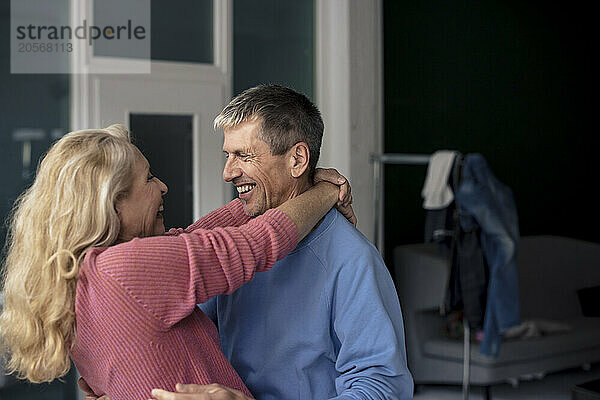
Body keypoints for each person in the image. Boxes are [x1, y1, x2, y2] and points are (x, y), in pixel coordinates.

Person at [0, 124, 354, 400]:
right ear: (113, 204)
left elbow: (192, 239)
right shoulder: (121, 269)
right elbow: (255, 244)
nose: (164, 186)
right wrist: (326, 190)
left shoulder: (80, 278)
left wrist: (265, 195)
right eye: (149, 178)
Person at [197, 85, 414, 399]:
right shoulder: (232, 247)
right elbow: (184, 326)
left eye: (243, 155)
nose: (228, 172)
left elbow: (381, 389)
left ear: (297, 159)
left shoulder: (351, 260)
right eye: (228, 155)